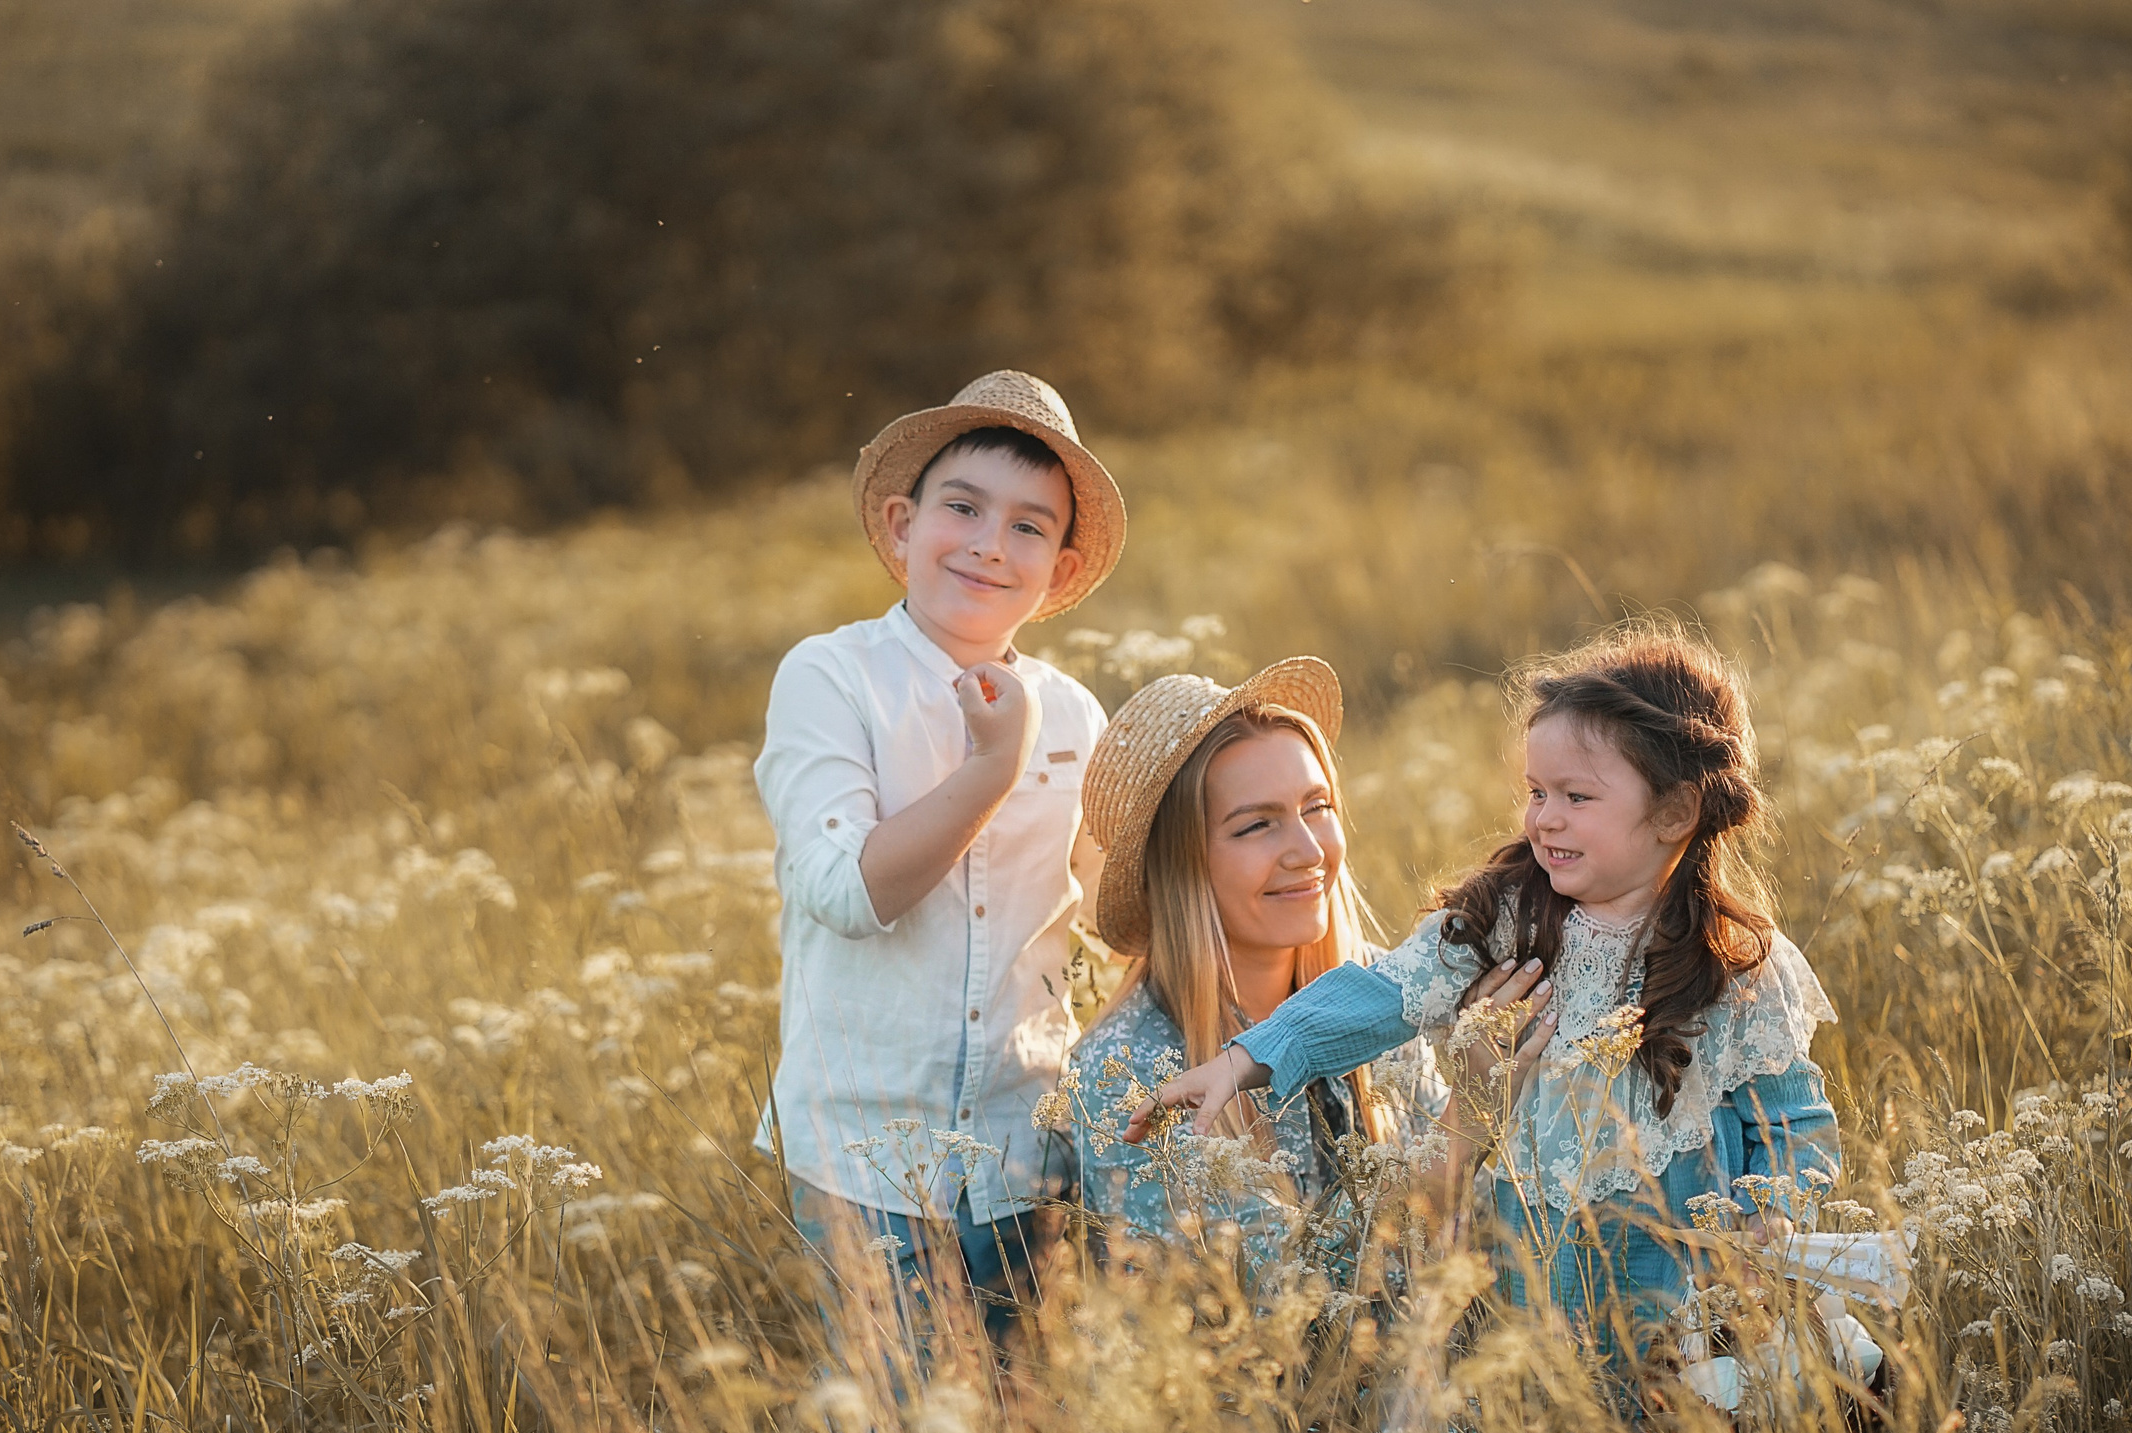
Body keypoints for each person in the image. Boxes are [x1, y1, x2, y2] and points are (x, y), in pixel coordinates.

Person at [1134, 624, 1839, 1370]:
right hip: (1526, 1274)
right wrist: (1246, 1058)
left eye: (1576, 795)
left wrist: (1772, 1221)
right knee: (1546, 1416)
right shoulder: (1508, 920)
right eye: (1536, 792)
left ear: (1674, 813)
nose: (1544, 818)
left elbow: (1793, 1120)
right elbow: (1378, 995)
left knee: (1660, 1425)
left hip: (1678, 1289)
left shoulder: (1738, 965)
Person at [753, 371, 1126, 1351]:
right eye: (962, 508)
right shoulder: (832, 677)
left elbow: (1109, 916)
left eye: (1028, 527)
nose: (988, 544)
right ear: (900, 523)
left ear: (1060, 564)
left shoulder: (1076, 714)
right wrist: (991, 771)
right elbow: (844, 894)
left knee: (1016, 1422)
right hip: (867, 1151)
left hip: (1022, 1141)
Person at [1061, 659, 1444, 1294]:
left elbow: (1478, 1252)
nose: (1309, 851)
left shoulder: (1380, 987)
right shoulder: (1130, 1072)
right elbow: (1275, 1325)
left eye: (1316, 806)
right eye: (1256, 825)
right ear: (1182, 868)